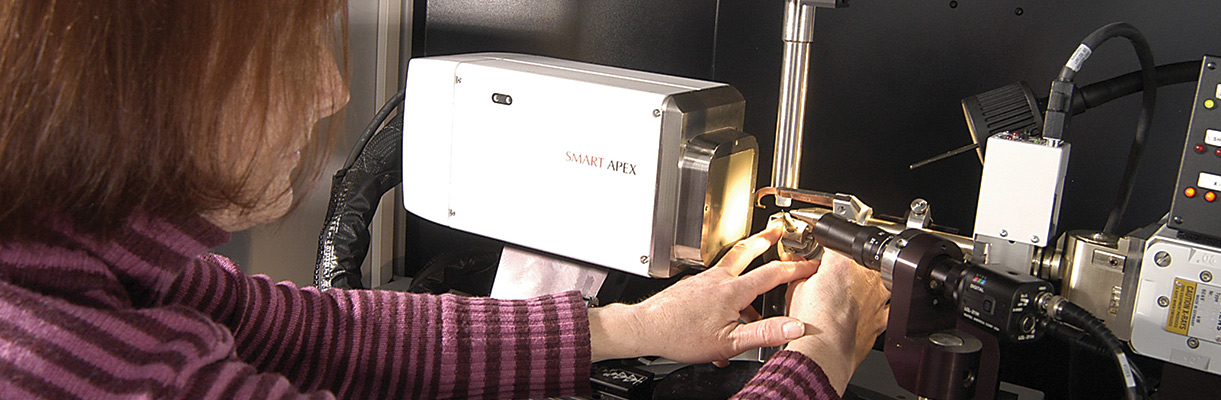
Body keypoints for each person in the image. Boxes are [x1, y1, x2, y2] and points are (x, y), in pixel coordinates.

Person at [0, 1, 890, 399]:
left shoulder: (90, 259)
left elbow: (318, 331)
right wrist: (821, 353)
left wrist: (636, 328)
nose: (326, 94)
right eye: (296, 45)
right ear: (149, 71)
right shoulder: (81, 371)